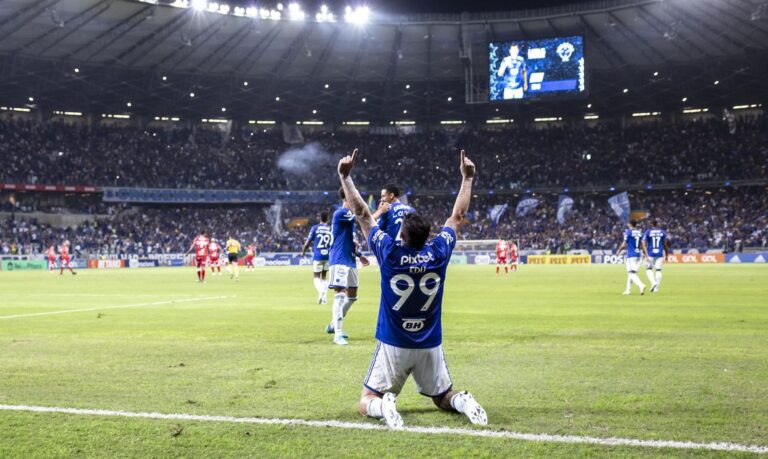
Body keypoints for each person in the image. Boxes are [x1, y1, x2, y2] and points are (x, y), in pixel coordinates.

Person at [336, 148, 488, 429]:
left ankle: (383, 406)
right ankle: (463, 401)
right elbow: (457, 216)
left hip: (394, 342)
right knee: (442, 397)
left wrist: (345, 177)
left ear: (402, 235)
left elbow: (362, 213)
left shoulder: (390, 253)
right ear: (428, 235)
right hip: (429, 343)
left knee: (366, 399)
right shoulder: (438, 252)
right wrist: (467, 179)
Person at [327, 188, 370, 345]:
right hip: (339, 260)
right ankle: (337, 334)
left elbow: (348, 240)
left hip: (350, 259)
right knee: (339, 295)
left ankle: (333, 324)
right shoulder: (341, 213)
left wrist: (359, 255)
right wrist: (380, 211)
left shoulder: (348, 216)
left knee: (352, 296)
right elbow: (364, 220)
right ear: (347, 197)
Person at [301, 211, 332, 304]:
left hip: (318, 256)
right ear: (328, 219)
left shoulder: (315, 228)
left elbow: (308, 242)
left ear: (320, 218)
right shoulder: (330, 228)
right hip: (328, 255)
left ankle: (321, 291)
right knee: (324, 276)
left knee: (316, 276)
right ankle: (324, 298)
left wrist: (303, 252)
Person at [617, 220, 646, 295]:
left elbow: (624, 245)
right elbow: (643, 245)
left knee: (631, 273)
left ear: (630, 224)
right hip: (638, 255)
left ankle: (641, 285)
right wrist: (646, 254)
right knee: (632, 273)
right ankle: (628, 290)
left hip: (631, 255)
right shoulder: (639, 233)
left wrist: (619, 251)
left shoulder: (628, 232)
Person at [642, 220, 669, 293]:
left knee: (648, 269)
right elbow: (665, 244)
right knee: (658, 270)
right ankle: (656, 289)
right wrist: (666, 255)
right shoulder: (662, 232)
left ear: (651, 224)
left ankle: (653, 282)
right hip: (659, 253)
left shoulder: (648, 232)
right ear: (658, 224)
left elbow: (644, 243)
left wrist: (645, 254)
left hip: (650, 253)